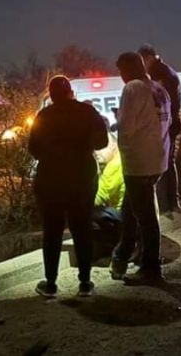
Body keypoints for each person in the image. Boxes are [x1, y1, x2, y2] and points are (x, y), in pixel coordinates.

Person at [28, 75, 109, 298]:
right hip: (82, 177)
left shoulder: (43, 116)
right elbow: (102, 142)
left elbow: (33, 148)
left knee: (52, 231)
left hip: (50, 180)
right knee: (82, 228)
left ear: (51, 95)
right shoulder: (87, 112)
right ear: (71, 92)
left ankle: (51, 283)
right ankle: (85, 282)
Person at [110, 51, 172, 285]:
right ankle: (123, 255)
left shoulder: (133, 88)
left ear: (127, 69)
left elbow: (127, 128)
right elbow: (166, 121)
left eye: (121, 71)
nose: (121, 76)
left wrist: (125, 152)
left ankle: (151, 268)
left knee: (145, 217)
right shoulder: (158, 89)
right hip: (157, 160)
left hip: (139, 162)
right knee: (132, 210)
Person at [138, 44, 181, 214]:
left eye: (142, 60)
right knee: (168, 163)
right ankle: (172, 203)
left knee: (162, 164)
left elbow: (158, 100)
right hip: (171, 122)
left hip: (165, 124)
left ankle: (167, 204)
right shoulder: (167, 71)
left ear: (149, 57)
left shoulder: (158, 74)